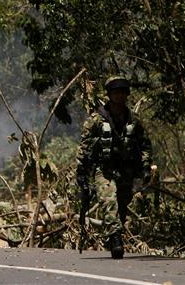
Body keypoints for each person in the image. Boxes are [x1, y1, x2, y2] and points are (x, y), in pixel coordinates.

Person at [76, 76, 153, 259]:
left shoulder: (134, 120)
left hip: (126, 170)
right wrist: (81, 173)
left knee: (122, 204)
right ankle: (115, 238)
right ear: (110, 95)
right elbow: (84, 147)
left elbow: (145, 145)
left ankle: (114, 233)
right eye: (116, 92)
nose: (119, 96)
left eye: (122, 92)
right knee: (108, 202)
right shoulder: (96, 120)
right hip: (104, 170)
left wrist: (146, 167)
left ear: (127, 95)